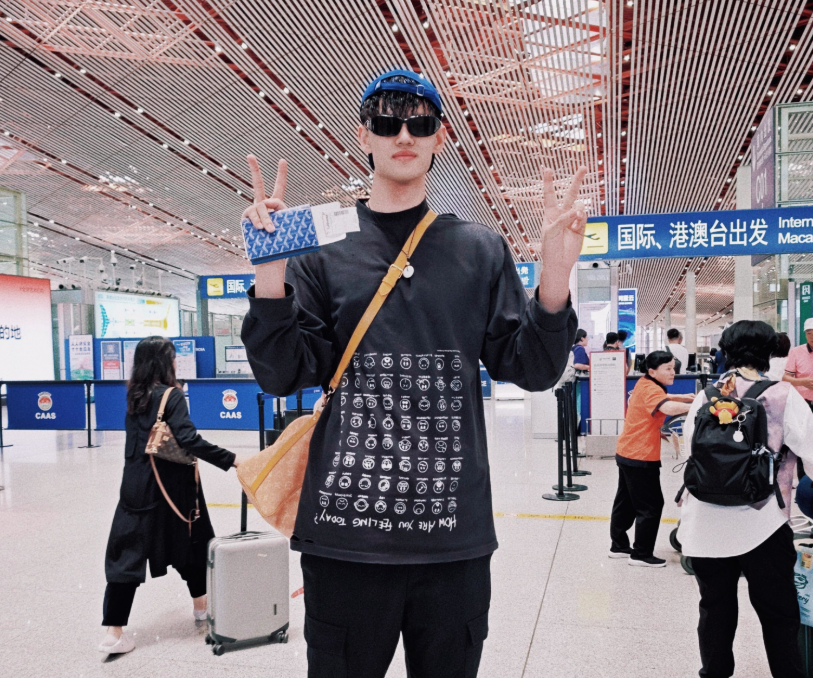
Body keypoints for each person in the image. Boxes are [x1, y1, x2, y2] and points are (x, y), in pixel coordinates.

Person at [240, 69, 584, 678]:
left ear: (439, 137)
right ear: (364, 134)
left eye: (420, 123)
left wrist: (554, 277)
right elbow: (282, 373)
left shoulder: (479, 249)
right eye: (387, 121)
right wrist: (271, 275)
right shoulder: (323, 250)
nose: (404, 134)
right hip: (347, 535)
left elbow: (530, 367)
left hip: (451, 537)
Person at [678, 320, 813, 678]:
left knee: (715, 608)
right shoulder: (783, 396)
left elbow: (693, 452)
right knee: (778, 613)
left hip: (706, 524)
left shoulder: (706, 396)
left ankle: (715, 672)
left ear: (726, 351)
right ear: (770, 352)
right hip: (763, 523)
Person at [100, 336, 238, 655]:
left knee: (127, 554)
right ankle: (201, 607)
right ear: (164, 362)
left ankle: (114, 631)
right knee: (192, 540)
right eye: (173, 357)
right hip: (172, 487)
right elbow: (189, 440)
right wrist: (231, 459)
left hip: (134, 487)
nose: (176, 362)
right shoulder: (171, 395)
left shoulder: (135, 396)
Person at [609, 351, 693, 566]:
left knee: (626, 502)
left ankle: (618, 546)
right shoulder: (651, 389)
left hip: (627, 451)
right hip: (640, 455)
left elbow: (662, 399)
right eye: (668, 369)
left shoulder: (645, 383)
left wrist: (685, 397)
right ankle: (641, 554)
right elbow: (666, 407)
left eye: (674, 368)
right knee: (651, 505)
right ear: (653, 371)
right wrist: (696, 406)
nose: (673, 373)